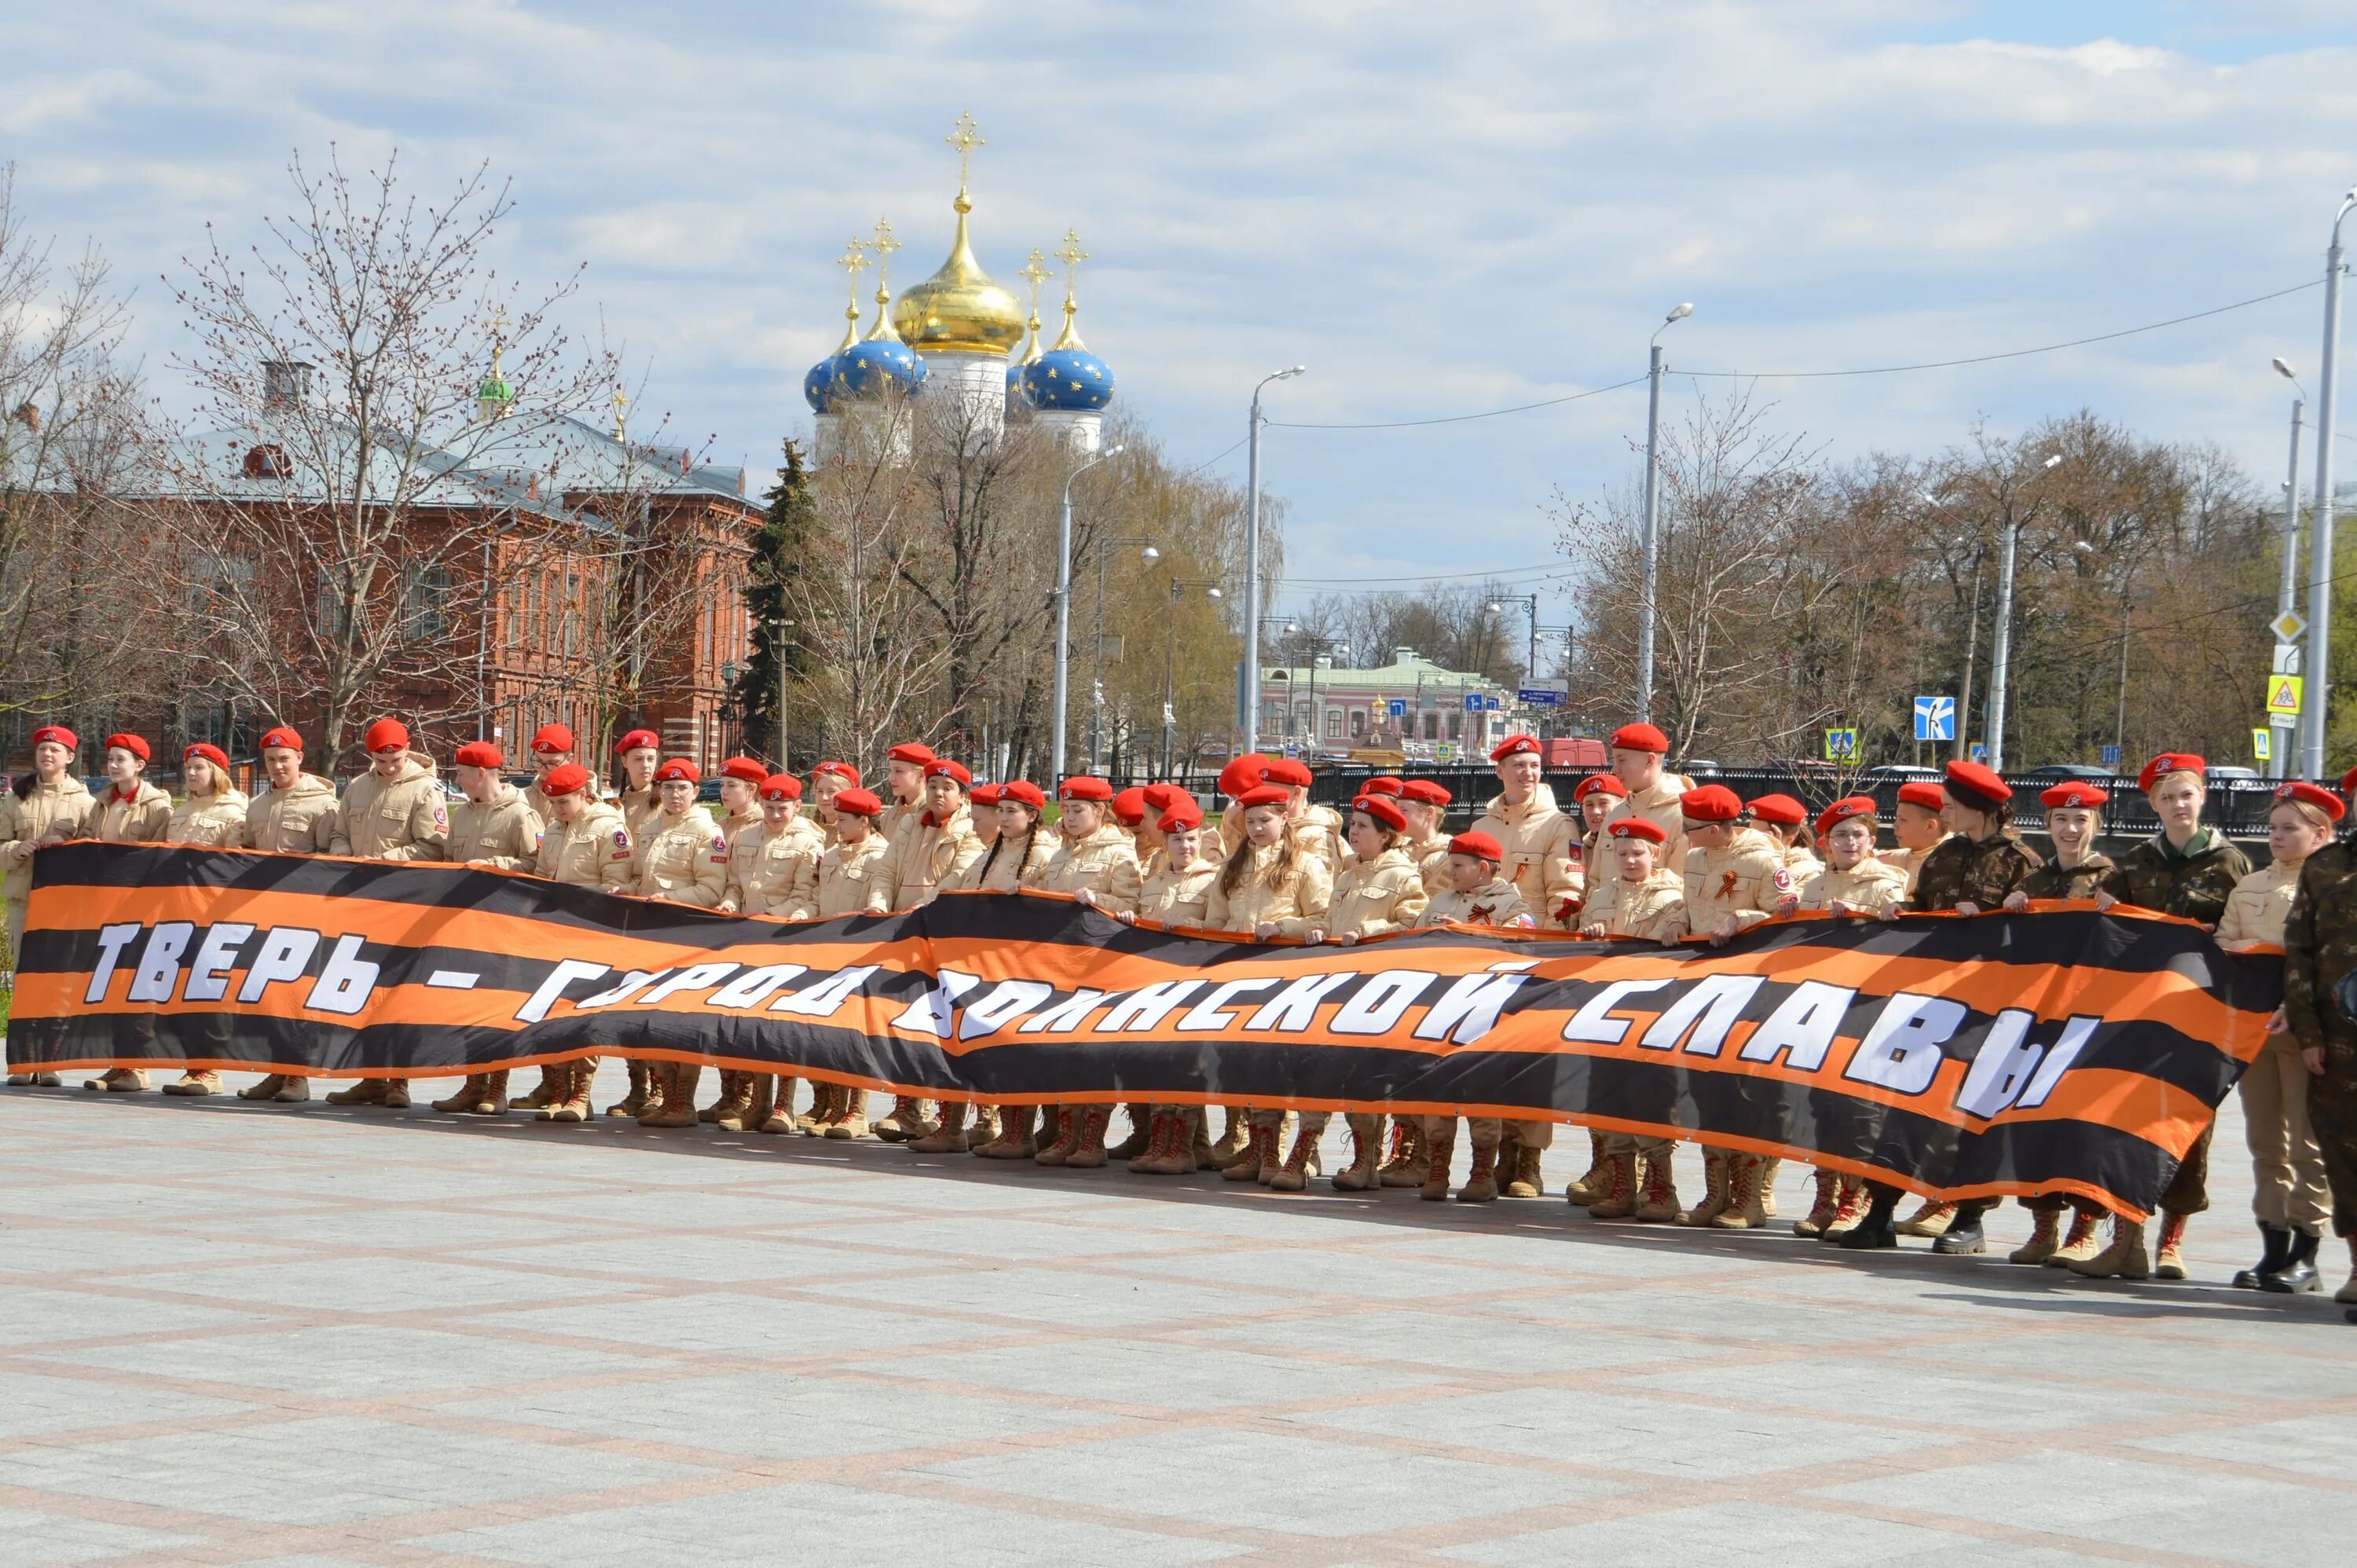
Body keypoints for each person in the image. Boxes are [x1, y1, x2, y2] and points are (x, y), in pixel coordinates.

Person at [1847, 760, 2041, 1254]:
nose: (1946, 815)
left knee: (1973, 1111)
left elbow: (2040, 936)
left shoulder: (2023, 862)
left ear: (1979, 808)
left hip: (1992, 1007)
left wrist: (1993, 922)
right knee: (1900, 1102)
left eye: (1952, 807)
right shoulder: (1943, 855)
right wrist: (1901, 913)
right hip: (1933, 1000)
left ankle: (1970, 1216)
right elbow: (1923, 907)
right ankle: (1881, 1211)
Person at [2073, 753, 2252, 1280]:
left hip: (2200, 1017)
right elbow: (2112, 930)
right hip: (2141, 1015)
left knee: (2187, 1125)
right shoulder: (2136, 863)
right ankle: (2127, 1241)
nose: (2178, 805)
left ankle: (2172, 1243)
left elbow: (2242, 934)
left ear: (2203, 798)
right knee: (2128, 1124)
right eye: (2167, 797)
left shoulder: (2230, 863)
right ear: (2153, 804)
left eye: (2186, 795)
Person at [2209, 782, 2341, 1295]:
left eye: (2290, 828)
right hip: (2257, 1032)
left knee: (2308, 1145)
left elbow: (2332, 961)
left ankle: (2307, 1252)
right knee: (2266, 1143)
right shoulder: (2251, 886)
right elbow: (2223, 944)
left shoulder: (2334, 887)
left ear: (2321, 833)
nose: (2277, 837)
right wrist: (2251, 947)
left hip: (2311, 1033)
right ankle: (2273, 1249)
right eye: (2272, 828)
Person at [1650, 782, 1790, 1227]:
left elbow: (1789, 915)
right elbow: (1687, 906)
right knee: (1707, 1089)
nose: (1684, 836)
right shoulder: (1693, 859)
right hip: (1702, 987)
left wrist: (1743, 920)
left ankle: (1748, 1199)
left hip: (1751, 989)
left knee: (1744, 1093)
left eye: (1690, 829)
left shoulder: (1765, 859)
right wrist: (1674, 921)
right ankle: (1716, 1193)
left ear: (1714, 829)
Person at [1773, 795, 1907, 1236]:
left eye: (1858, 835)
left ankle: (1855, 1199)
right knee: (1819, 1106)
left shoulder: (1888, 880)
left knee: (1857, 1109)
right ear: (1826, 842)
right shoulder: (1812, 886)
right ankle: (1826, 1198)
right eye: (1840, 836)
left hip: (1865, 1009)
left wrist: (1861, 917)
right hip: (1818, 1008)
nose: (1849, 842)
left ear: (1873, 841)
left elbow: (1901, 930)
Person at [1998, 781, 2118, 1266]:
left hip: (2091, 1020)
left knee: (2083, 1127)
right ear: (2047, 826)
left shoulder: (2113, 877)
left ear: (2096, 825)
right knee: (2035, 1123)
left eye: (2081, 820)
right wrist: (2006, 913)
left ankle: (2083, 1229)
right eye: (2062, 821)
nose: (2071, 830)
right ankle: (2042, 1226)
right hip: (2039, 1020)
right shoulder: (2034, 883)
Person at [1297, 794, 1431, 1192]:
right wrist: (1307, 928)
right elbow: (1326, 916)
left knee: (1365, 1077)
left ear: (1386, 836)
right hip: (1337, 984)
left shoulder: (1404, 875)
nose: (1353, 832)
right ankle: (1308, 1152)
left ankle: (1366, 1162)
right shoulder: (1346, 874)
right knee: (1324, 1070)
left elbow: (1412, 922)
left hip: (1377, 990)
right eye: (1352, 824)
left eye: (1363, 826)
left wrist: (1369, 932)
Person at [1210, 783, 1334, 1184]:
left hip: (1287, 976)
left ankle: (1293, 1154)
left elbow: (1323, 919)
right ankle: (1262, 1152)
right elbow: (1215, 922)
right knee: (1249, 1067)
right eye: (1251, 821)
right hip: (1237, 976)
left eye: (1266, 819)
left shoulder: (1307, 864)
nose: (1258, 827)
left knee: (1286, 1066)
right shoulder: (1232, 865)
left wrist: (1282, 927)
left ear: (1285, 819)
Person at [324, 719, 448, 1109]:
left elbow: (434, 847)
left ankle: (399, 1080)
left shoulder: (426, 790)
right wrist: (345, 856)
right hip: (362, 904)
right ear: (370, 756)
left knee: (399, 995)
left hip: (405, 905)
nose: (390, 766)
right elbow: (339, 834)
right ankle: (370, 1076)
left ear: (407, 750)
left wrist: (384, 860)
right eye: (382, 759)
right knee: (362, 993)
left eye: (396, 758)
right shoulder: (358, 788)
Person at [1574, 819, 1690, 1222]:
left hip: (1652, 1013)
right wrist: (1588, 932)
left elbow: (1672, 938)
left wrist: (1671, 929)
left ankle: (1660, 1189)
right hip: (1605, 1012)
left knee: (1651, 1101)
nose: (1629, 859)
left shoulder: (1674, 893)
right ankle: (1621, 1185)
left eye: (1638, 852)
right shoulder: (1602, 894)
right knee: (1609, 1098)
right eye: (1621, 853)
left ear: (1655, 854)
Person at [1413, 830, 1538, 1202]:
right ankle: (1438, 1169)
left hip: (1483, 1014)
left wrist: (1466, 936)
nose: (1450, 872)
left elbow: (1523, 950)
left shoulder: (1512, 907)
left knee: (1480, 1093)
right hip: (1437, 1012)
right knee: (1437, 1094)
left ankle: (1481, 1172)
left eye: (1457, 866)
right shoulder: (1440, 900)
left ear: (1483, 868)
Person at [429, 742, 546, 1117]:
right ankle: (472, 1082)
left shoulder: (520, 814)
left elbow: (535, 865)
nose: (457, 780)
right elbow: (449, 861)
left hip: (505, 928)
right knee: (467, 1007)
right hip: (465, 926)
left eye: (461, 773)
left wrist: (493, 863)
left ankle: (497, 1087)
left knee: (498, 1009)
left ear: (481, 773)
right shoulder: (460, 815)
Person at [1034, 775, 1146, 1168]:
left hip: (1101, 965)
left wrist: (1100, 898)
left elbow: (1134, 905)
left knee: (1094, 1053)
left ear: (1100, 811)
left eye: (1078, 810)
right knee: (1060, 1052)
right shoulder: (1060, 856)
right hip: (1061, 965)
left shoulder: (1119, 854)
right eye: (1064, 810)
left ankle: (1092, 1138)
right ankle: (1067, 1133)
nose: (1069, 817)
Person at [2279, 767, 2357, 1315]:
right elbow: (2300, 952)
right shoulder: (2327, 867)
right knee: (2343, 1154)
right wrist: (2308, 1032)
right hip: (2338, 1045)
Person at [873, 759, 982, 1145]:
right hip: (903, 935)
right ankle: (908, 1107)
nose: (938, 793)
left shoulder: (972, 831)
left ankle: (951, 1117)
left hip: (942, 937)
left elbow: (957, 879)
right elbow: (887, 870)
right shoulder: (910, 823)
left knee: (946, 1027)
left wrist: (922, 911)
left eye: (947, 788)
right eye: (933, 784)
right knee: (905, 1021)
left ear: (962, 795)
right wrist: (879, 905)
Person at [621, 758, 731, 1130]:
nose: (674, 794)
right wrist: (628, 892)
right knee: (650, 1019)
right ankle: (664, 1096)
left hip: (687, 936)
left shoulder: (706, 831)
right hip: (651, 935)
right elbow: (641, 877)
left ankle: (683, 1101)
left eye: (682, 788)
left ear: (696, 792)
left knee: (681, 1021)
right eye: (667, 787)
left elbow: (711, 889)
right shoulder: (651, 828)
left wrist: (669, 898)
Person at [1118, 796, 1223, 1175]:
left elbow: (1221, 928)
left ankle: (1177, 1146)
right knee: (1160, 1063)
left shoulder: (1214, 879)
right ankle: (1185, 1145)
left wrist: (1190, 929)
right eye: (1178, 841)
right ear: (1166, 843)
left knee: (1185, 1065)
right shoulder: (1154, 881)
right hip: (1156, 986)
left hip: (1196, 985)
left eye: (1192, 839)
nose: (1186, 847)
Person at [236, 725, 339, 1103]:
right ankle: (275, 1071)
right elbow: (246, 849)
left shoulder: (323, 804)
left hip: (307, 916)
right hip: (264, 914)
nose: (277, 766)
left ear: (300, 758)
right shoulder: (258, 805)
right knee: (269, 995)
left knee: (300, 995)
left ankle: (299, 1075)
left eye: (284, 759)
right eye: (270, 760)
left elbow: (335, 857)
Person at [526, 763, 635, 1123]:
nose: (557, 809)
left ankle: (581, 1093)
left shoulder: (609, 828)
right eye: (553, 802)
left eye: (564, 802)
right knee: (551, 1012)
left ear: (584, 796)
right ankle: (558, 1090)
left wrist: (577, 903)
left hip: (591, 932)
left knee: (583, 1014)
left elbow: (616, 885)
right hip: (554, 932)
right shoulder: (555, 829)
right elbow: (543, 876)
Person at [723, 773, 827, 1136]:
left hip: (787, 940)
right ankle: (757, 1104)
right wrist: (729, 902)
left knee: (783, 1027)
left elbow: (808, 896)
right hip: (748, 940)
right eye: (769, 808)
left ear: (798, 806)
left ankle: (784, 1105)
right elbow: (736, 883)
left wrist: (771, 917)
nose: (775, 815)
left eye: (783, 808)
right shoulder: (747, 835)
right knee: (751, 1028)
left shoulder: (809, 840)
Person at [76, 733, 174, 1092]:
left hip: (142, 907)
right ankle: (119, 1062)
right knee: (112, 984)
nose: (114, 766)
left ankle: (137, 1065)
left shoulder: (158, 805)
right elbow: (85, 842)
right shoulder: (100, 802)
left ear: (140, 766)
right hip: (105, 906)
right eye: (111, 759)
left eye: (121, 760)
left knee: (138, 984)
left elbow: (162, 855)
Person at [157, 742, 251, 1097]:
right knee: (182, 990)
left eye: (200, 767)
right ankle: (191, 1064)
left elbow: (236, 863)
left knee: (212, 991)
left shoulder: (235, 809)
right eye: (189, 767)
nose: (192, 773)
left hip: (217, 913)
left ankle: (209, 1068)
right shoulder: (181, 812)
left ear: (217, 771)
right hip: (179, 911)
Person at [1, 724, 89, 1088]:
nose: (47, 755)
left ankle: (51, 1061)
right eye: (42, 750)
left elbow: (94, 849)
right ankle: (23, 1062)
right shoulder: (15, 798)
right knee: (24, 978)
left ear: (69, 757)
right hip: (24, 899)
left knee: (57, 980)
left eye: (55, 750)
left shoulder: (84, 801)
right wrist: (12, 850)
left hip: (64, 904)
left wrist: (67, 846)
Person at [805, 785, 891, 1138]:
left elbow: (877, 905)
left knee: (855, 1036)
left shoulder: (880, 856)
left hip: (860, 956)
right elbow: (819, 899)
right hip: (827, 953)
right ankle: (834, 1106)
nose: (837, 825)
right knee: (828, 1036)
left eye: (844, 819)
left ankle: (856, 1111)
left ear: (865, 821)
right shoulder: (833, 853)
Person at [1580, 723, 1690, 929]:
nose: (1615, 770)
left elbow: (1683, 891)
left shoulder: (1680, 815)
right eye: (1614, 760)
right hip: (1601, 939)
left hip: (1650, 943)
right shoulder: (1616, 813)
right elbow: (1594, 885)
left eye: (1622, 760)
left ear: (1650, 760)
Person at [1470, 735, 1582, 931]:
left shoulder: (1558, 825)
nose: (1528, 773)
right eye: (1519, 765)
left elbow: (1566, 893)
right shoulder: (1480, 828)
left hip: (1529, 939)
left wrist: (1551, 943)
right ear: (1500, 771)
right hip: (1480, 932)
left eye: (1535, 766)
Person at [1881, 780, 1950, 894]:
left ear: (1930, 826)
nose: (1894, 826)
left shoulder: (1949, 863)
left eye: (1903, 820)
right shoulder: (1912, 854)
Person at [611, 728, 662, 872]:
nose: (646, 765)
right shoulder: (616, 805)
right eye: (638, 759)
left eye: (651, 759)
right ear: (624, 762)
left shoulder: (665, 804)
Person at [1398, 778, 1454, 896]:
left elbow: (1432, 901)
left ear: (1429, 813)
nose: (1397, 816)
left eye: (1403, 810)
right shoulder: (1398, 850)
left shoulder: (1446, 857)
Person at [522, 724, 587, 822]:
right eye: (538, 760)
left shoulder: (584, 799)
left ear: (569, 759)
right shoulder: (524, 798)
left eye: (552, 763)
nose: (543, 768)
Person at [1747, 793, 1820, 881]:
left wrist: (1774, 859)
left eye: (1762, 836)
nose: (1751, 839)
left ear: (1789, 839)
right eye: (1750, 832)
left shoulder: (1808, 874)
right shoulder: (1748, 863)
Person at [880, 741, 934, 850]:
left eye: (899, 771)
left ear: (921, 775)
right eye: (890, 771)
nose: (891, 778)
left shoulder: (933, 814)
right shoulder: (889, 817)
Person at [808, 760, 860, 848]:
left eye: (831, 791)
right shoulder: (809, 829)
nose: (824, 798)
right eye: (820, 791)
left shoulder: (857, 832)